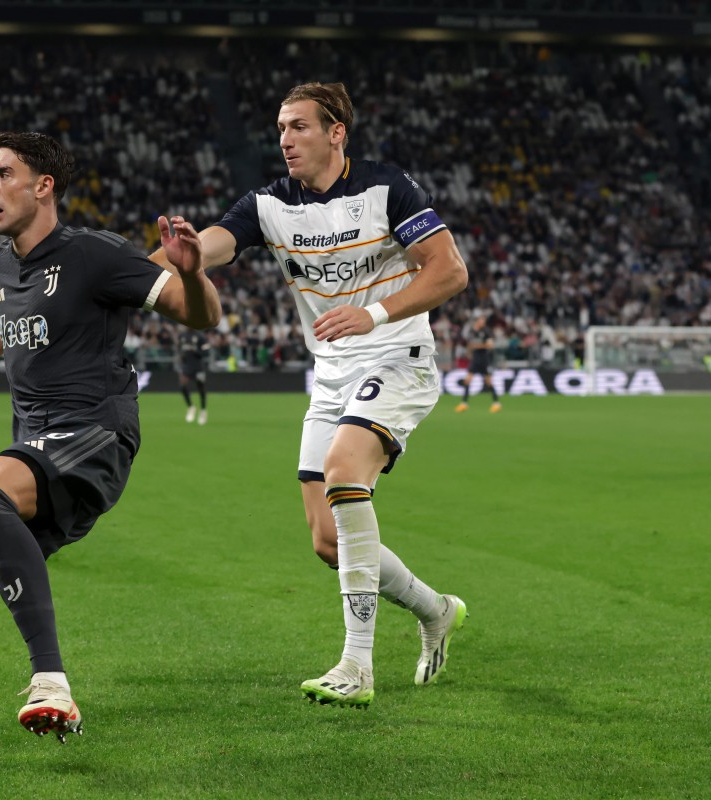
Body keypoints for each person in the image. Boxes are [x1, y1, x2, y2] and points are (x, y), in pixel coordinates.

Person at [0, 131, 220, 770]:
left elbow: (202, 317)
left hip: (95, 434)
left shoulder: (96, 255)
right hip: (36, 440)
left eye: (3, 174)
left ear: (43, 186)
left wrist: (191, 275)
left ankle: (51, 680)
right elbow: (17, 317)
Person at [151, 82, 470, 707]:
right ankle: (436, 610)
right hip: (330, 374)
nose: (285, 139)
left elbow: (449, 270)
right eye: (279, 128)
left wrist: (374, 314)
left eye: (298, 126)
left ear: (335, 132)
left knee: (345, 470)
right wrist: (186, 259)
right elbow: (218, 239)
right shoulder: (270, 203)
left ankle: (357, 664)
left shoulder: (387, 188)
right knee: (328, 539)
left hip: (396, 355)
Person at [455, 315, 501, 413]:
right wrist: (469, 352)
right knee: (467, 381)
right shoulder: (472, 332)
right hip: (475, 360)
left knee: (489, 383)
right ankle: (464, 404)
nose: (483, 323)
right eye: (482, 321)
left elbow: (490, 345)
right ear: (477, 321)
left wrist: (477, 346)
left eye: (484, 321)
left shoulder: (486, 332)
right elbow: (470, 344)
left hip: (484, 360)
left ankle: (496, 403)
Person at [175, 327, 210, 424]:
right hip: (186, 366)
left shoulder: (201, 336)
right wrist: (180, 356)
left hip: (198, 366)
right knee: (182, 386)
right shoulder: (182, 336)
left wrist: (195, 350)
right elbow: (179, 348)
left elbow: (206, 352)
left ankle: (203, 410)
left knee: (201, 389)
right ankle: (191, 407)